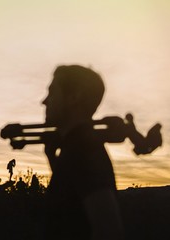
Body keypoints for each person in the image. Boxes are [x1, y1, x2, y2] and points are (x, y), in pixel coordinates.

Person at [42, 65, 124, 239]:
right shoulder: (78, 146)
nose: (44, 101)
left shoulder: (83, 148)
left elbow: (110, 232)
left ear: (74, 97)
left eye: (52, 92)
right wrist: (52, 159)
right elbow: (74, 203)